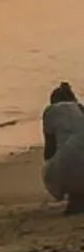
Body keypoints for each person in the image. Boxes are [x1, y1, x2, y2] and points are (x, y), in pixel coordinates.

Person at [43, 81, 84, 214]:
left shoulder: (50, 112)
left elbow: (49, 151)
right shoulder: (81, 109)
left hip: (69, 166)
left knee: (65, 160)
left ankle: (75, 193)